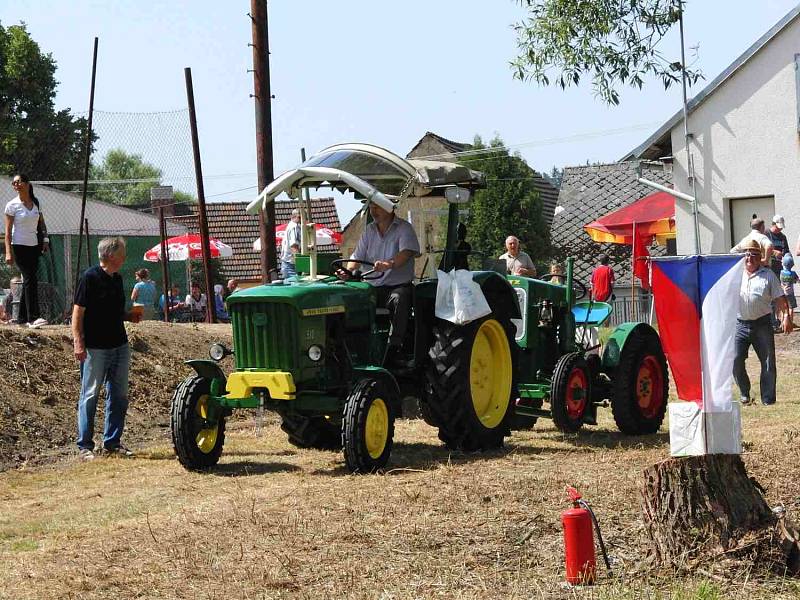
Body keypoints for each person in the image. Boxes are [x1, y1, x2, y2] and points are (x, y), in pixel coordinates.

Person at [72, 237, 141, 460]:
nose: (124, 257)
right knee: (90, 394)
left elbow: (115, 312)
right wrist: (78, 342)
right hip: (95, 348)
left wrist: (130, 316)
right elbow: (77, 313)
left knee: (119, 395)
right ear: (111, 255)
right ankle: (85, 446)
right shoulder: (89, 277)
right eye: (122, 253)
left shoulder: (117, 278)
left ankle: (112, 442)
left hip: (119, 345)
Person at [342, 198, 420, 367]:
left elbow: (405, 254)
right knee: (348, 299)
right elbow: (356, 257)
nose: (373, 211)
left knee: (399, 298)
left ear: (389, 208)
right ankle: (350, 348)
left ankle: (396, 348)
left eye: (377, 206)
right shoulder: (369, 231)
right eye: (371, 207)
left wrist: (388, 264)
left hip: (396, 287)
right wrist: (348, 272)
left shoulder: (404, 229)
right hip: (372, 288)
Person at [733, 240, 792, 406]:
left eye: (754, 255)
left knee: (768, 363)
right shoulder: (735, 274)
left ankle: (767, 399)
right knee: (735, 360)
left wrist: (786, 316)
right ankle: (744, 394)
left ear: (760, 258)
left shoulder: (768, 275)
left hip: (762, 324)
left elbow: (780, 299)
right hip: (739, 324)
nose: (749, 258)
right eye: (747, 254)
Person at [4, 174, 49, 328]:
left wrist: (45, 240)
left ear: (27, 184)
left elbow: (42, 224)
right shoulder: (12, 205)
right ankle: (33, 318)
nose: (15, 185)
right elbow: (8, 232)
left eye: (18, 182)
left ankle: (22, 319)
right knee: (30, 278)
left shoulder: (36, 202)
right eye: (13, 183)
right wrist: (8, 252)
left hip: (34, 246)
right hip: (19, 246)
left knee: (28, 281)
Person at [280, 208, 302, 279]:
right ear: (293, 217)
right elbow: (294, 246)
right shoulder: (294, 227)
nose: (302, 219)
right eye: (300, 217)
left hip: (287, 263)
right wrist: (300, 264)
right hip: (291, 265)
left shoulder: (291, 226)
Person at [780, 253, 798, 328]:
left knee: (783, 308)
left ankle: (782, 323)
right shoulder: (793, 273)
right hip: (790, 293)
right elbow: (796, 280)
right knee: (791, 308)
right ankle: (790, 323)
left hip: (782, 292)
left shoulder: (781, 272)